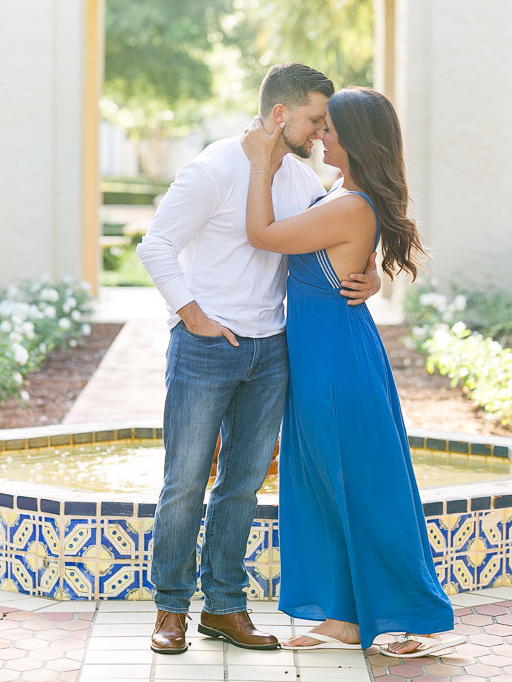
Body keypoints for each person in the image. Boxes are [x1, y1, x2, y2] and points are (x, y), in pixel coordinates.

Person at [136, 62, 380, 655]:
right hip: (205, 348)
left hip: (271, 351)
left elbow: (342, 229)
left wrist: (369, 273)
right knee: (185, 482)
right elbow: (156, 245)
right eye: (315, 119)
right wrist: (192, 315)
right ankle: (170, 611)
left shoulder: (299, 178)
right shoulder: (213, 168)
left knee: (241, 486)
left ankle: (224, 608)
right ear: (280, 114)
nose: (323, 132)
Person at [240, 86, 462, 658]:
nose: (320, 135)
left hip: (336, 363)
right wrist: (370, 277)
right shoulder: (342, 194)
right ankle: (343, 617)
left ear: (355, 141)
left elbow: (262, 235)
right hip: (325, 352)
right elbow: (345, 262)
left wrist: (261, 167)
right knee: (322, 483)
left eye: (329, 130)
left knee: (364, 486)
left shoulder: (349, 205)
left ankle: (404, 616)